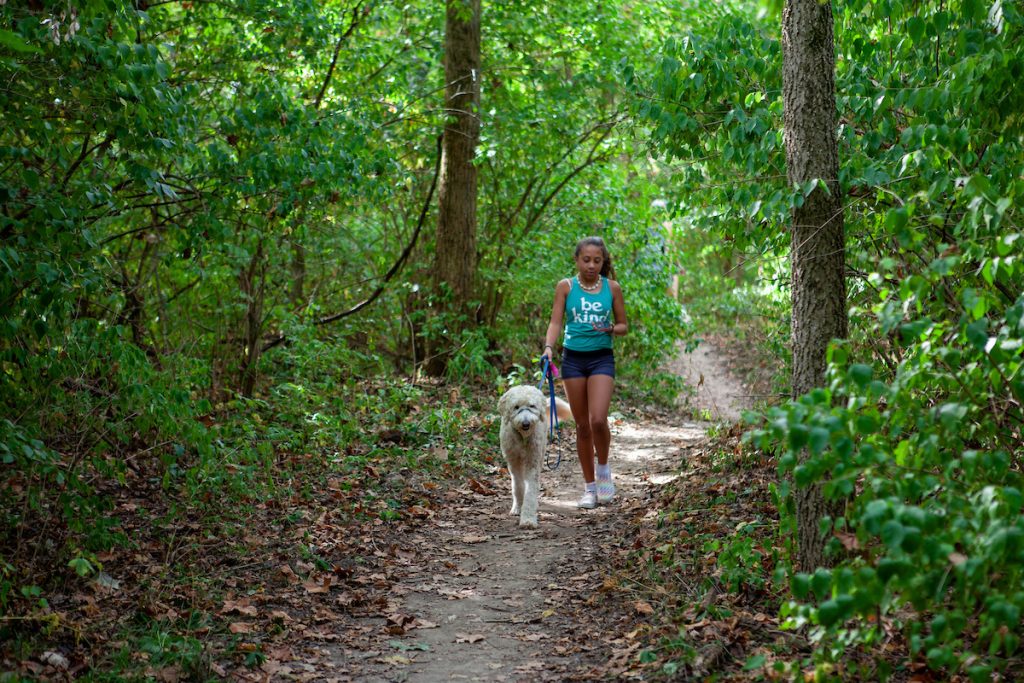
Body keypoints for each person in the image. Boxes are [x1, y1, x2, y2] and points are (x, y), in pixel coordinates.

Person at [540, 236, 628, 509]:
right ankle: (589, 488)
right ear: (577, 260)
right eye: (586, 260)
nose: (591, 265)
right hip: (573, 359)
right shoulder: (565, 287)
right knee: (582, 425)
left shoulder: (612, 288)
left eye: (597, 261)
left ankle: (603, 470)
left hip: (602, 358)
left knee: (598, 420)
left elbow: (624, 325)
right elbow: (556, 322)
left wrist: (611, 329)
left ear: (603, 262)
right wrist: (548, 347)